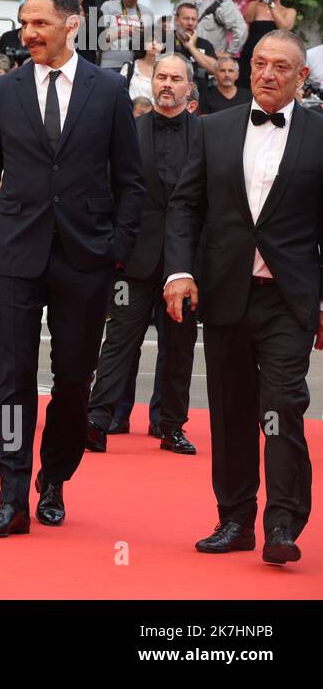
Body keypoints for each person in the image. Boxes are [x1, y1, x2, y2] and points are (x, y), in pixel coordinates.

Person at [0, 0, 145, 538]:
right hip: (16, 254)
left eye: (40, 22)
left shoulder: (108, 89)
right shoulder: (3, 91)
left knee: (71, 381)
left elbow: (131, 183)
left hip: (86, 259)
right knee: (11, 377)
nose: (28, 33)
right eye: (23, 22)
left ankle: (55, 479)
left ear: (72, 23)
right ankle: (11, 494)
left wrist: (115, 249)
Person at [164, 30, 322, 564]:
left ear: (302, 77)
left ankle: (282, 523)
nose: (267, 74)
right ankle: (234, 519)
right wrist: (180, 272)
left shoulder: (321, 136)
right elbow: (185, 207)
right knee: (230, 412)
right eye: (260, 63)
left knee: (282, 406)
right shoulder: (212, 129)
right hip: (226, 292)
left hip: (288, 298)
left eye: (281, 67)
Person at [85, 53, 201, 455]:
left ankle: (170, 425)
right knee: (118, 340)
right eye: (161, 77)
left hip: (185, 263)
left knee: (179, 345)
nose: (167, 84)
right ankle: (98, 419)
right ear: (151, 83)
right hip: (132, 259)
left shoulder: (207, 136)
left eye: (176, 78)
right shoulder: (129, 132)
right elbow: (108, 191)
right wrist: (111, 249)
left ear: (190, 87)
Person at [98, 0, 152, 71]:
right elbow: (99, 41)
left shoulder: (147, 12)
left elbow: (150, 46)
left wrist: (143, 36)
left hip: (134, 66)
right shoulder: (108, 7)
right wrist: (118, 33)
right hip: (109, 65)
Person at [241, 0, 296, 65]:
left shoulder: (289, 11)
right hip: (252, 52)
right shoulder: (255, 5)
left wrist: (271, 3)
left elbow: (284, 27)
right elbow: (248, 18)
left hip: (276, 54)